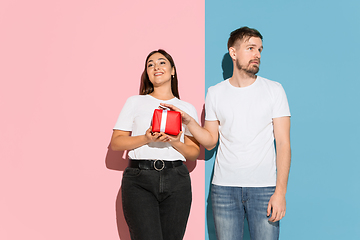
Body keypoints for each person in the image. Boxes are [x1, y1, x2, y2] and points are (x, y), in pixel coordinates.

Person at [162, 27, 291, 240]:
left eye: (259, 49)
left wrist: (280, 193)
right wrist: (190, 122)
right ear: (233, 53)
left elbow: (284, 144)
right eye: (250, 48)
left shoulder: (274, 90)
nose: (257, 54)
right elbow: (211, 141)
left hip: (264, 189)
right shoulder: (215, 92)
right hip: (224, 189)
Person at [110, 49, 200, 240]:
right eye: (150, 64)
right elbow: (116, 143)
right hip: (139, 179)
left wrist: (176, 142)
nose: (156, 67)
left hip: (177, 179)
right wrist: (147, 138)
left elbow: (193, 152)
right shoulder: (135, 102)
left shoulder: (186, 108)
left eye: (161, 62)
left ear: (172, 70)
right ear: (147, 74)